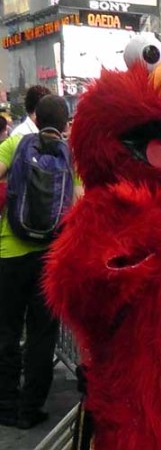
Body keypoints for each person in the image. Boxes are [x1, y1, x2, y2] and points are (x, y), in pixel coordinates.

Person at [0, 95, 81, 428]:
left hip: (9, 252)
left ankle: (5, 404)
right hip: (50, 257)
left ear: (34, 116)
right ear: (64, 124)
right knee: (42, 335)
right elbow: (79, 206)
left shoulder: (15, 144)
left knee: (6, 330)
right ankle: (31, 407)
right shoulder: (71, 158)